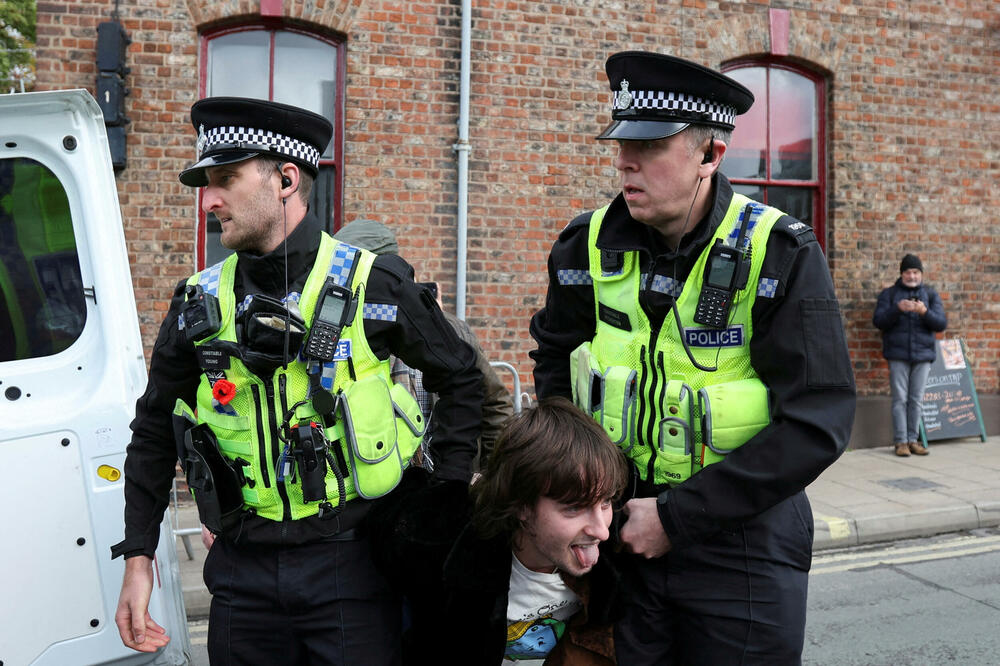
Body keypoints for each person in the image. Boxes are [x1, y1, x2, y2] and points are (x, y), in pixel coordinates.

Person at [110, 97, 483, 663]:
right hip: (241, 575)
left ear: (286, 180)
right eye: (206, 184)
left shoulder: (374, 284)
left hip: (353, 567)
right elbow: (155, 427)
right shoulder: (196, 302)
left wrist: (444, 498)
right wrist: (138, 557)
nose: (208, 200)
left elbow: (461, 377)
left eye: (225, 179)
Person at [529, 51, 856, 664]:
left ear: (710, 154)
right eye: (622, 143)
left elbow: (819, 420)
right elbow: (555, 368)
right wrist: (575, 501)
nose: (626, 161)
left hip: (743, 547)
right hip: (617, 543)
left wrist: (676, 518)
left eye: (651, 146)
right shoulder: (582, 248)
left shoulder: (780, 253)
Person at [369, 397, 628, 665]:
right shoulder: (449, 558)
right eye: (574, 508)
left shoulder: (615, 559)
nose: (602, 531)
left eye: (606, 502)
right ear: (522, 505)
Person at [333, 217, 514, 469]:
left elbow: (494, 404)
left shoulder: (450, 330)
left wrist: (487, 475)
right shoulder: (337, 337)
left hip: (443, 480)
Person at [873, 253, 947, 456]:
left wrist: (924, 312)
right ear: (901, 274)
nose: (912, 276)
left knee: (916, 399)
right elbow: (878, 321)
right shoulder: (889, 294)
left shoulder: (930, 295)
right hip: (897, 355)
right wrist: (897, 309)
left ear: (921, 274)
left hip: (923, 356)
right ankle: (901, 442)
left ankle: (913, 440)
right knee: (900, 399)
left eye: (915, 272)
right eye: (908, 272)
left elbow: (941, 324)